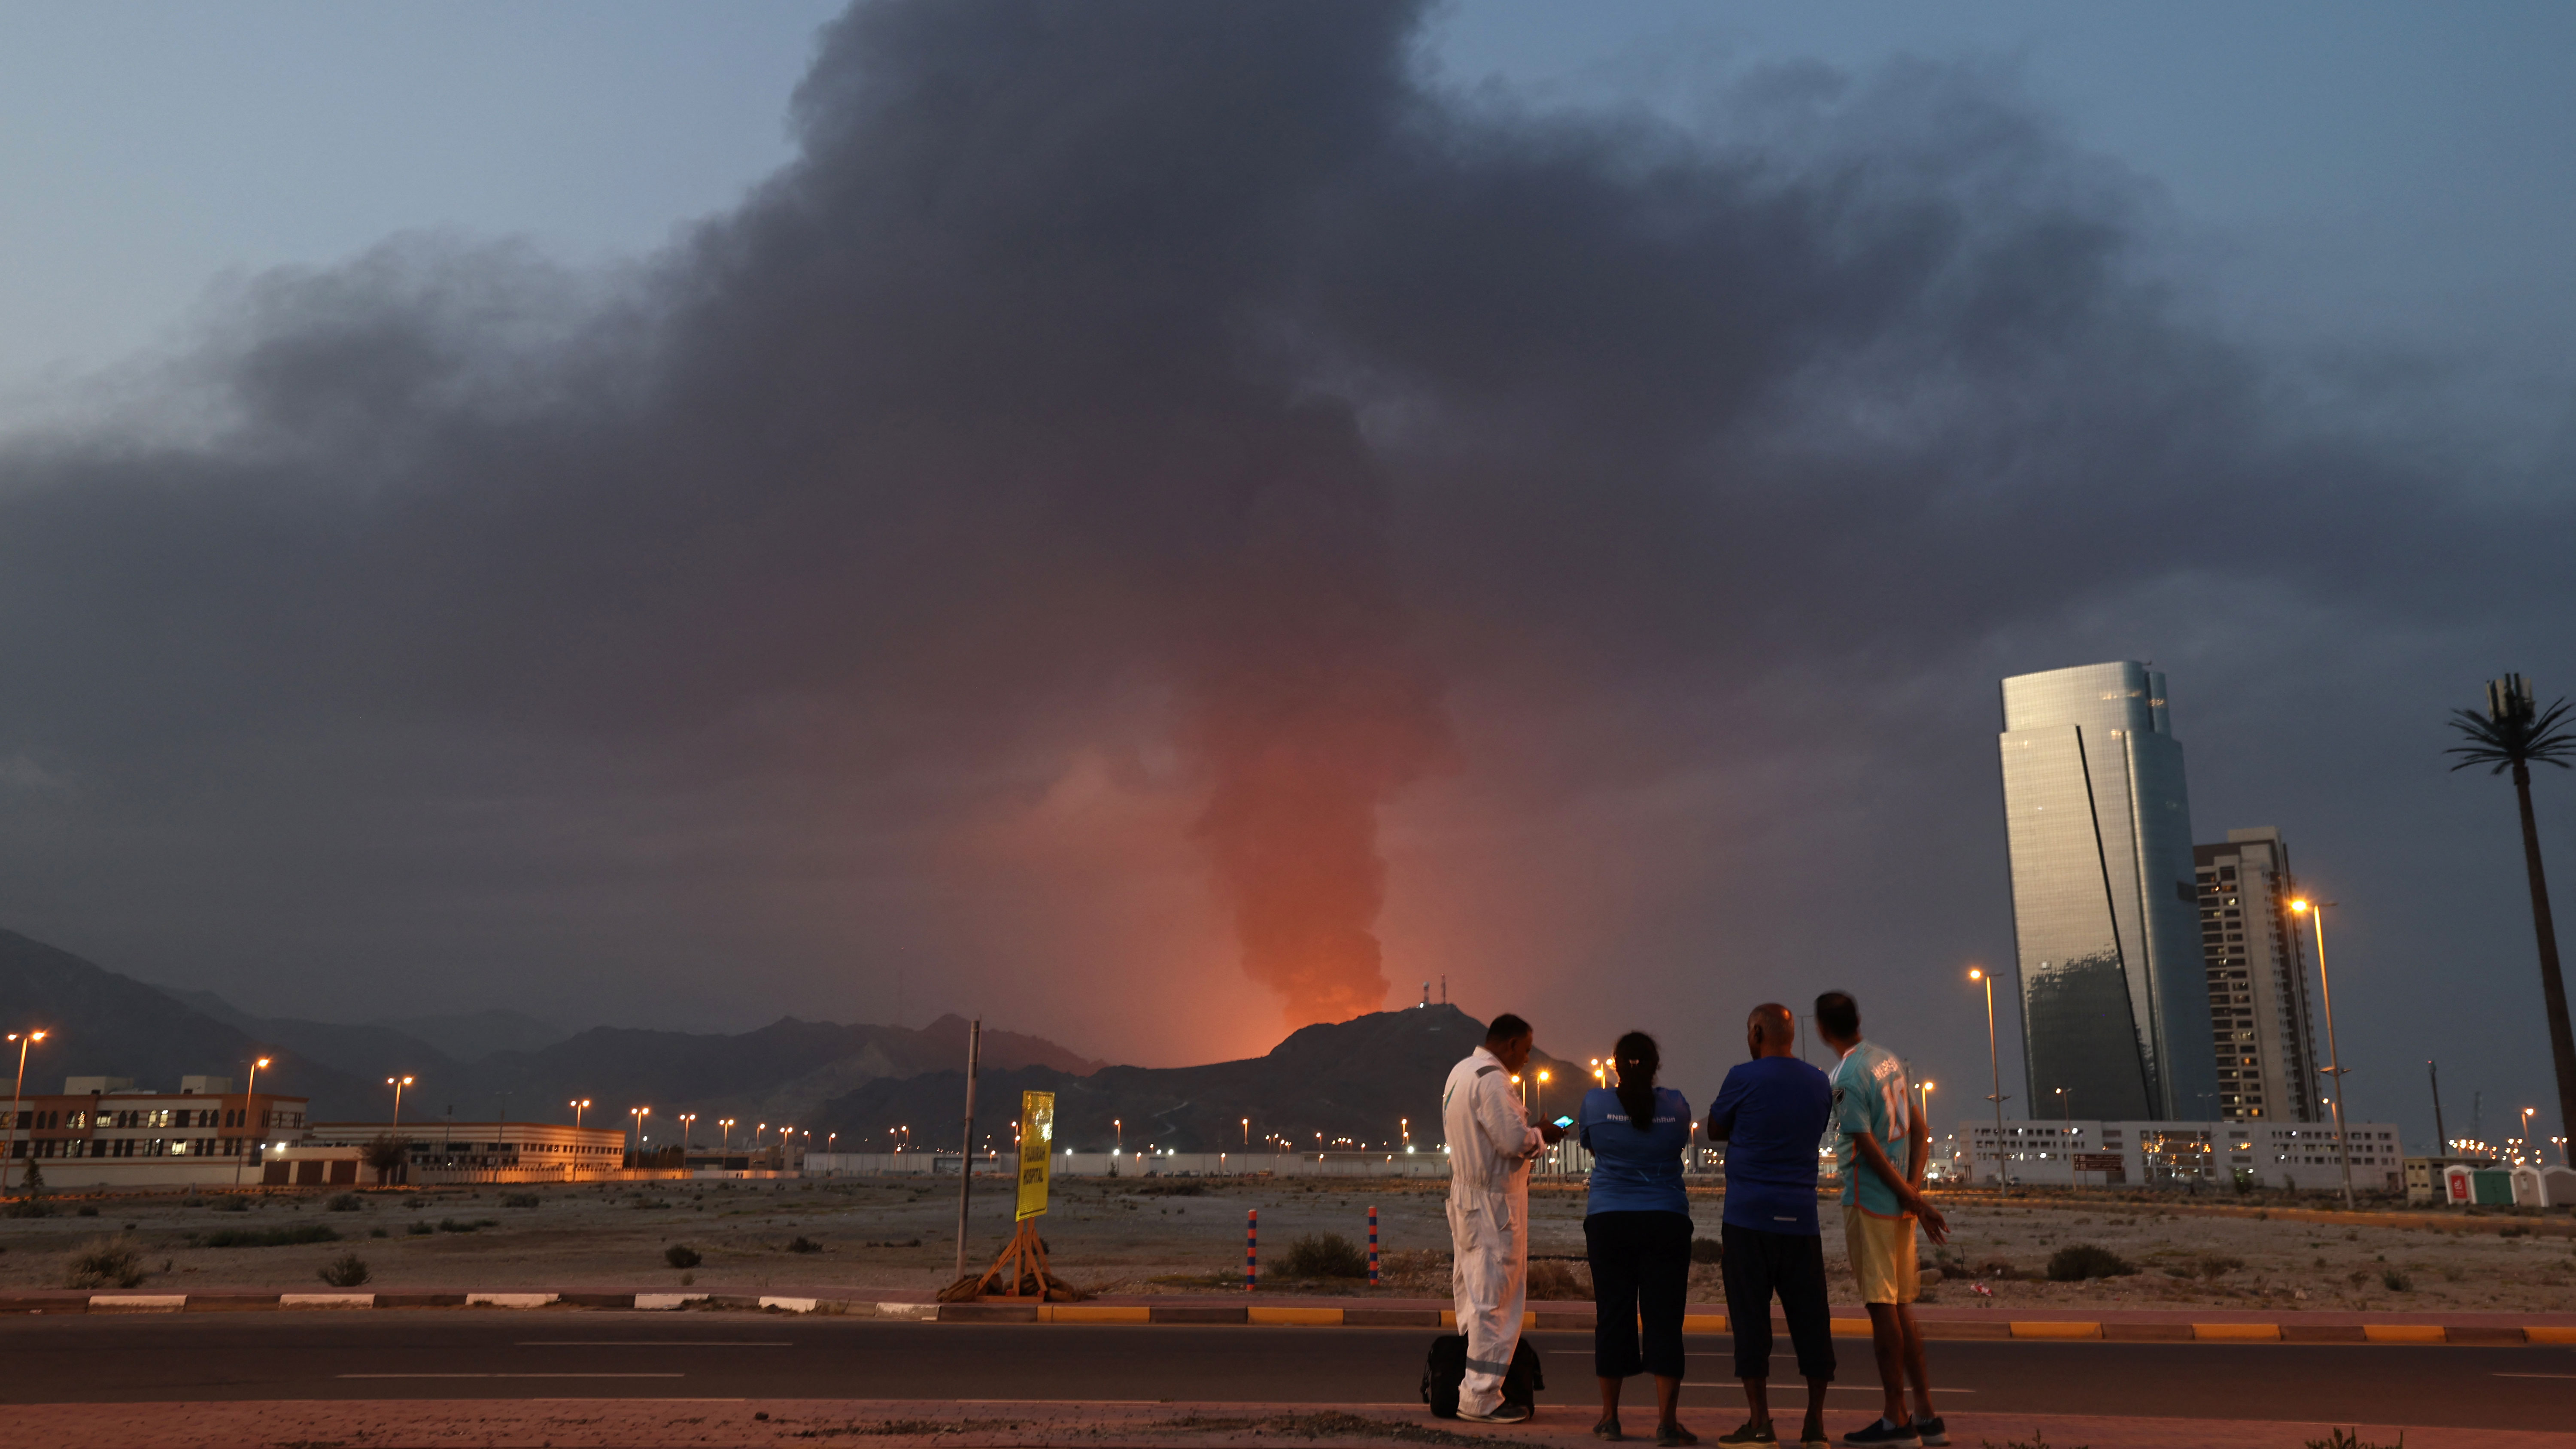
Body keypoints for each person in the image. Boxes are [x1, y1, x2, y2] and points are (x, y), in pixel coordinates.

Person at [1813, 991, 1949, 1449]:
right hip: (1898, 1205)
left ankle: (1896, 1418)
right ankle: (1927, 1413)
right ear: (1858, 1019)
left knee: (1882, 1307)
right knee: (1902, 1305)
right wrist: (1914, 1196)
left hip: (1870, 1202)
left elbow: (1866, 1149)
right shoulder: (1889, 1060)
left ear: (1821, 1030)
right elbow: (1922, 1131)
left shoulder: (1846, 1076)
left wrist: (1911, 1198)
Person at [1704, 1003, 1836, 1449]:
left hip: (1747, 1219)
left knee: (1751, 1323)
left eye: (1749, 1032)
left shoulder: (1742, 1076)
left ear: (1757, 1033)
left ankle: (1760, 1423)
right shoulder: (1819, 1081)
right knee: (1813, 1322)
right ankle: (1815, 1424)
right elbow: (1815, 1127)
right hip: (1801, 1220)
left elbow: (1715, 1128)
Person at [1442, 1012, 1569, 1425]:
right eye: (1528, 1050)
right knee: (1494, 1300)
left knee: (1475, 1296)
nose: (1528, 1060)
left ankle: (1475, 1388)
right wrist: (1541, 1135)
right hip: (1494, 1205)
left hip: (1468, 1198)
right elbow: (1514, 1140)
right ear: (1511, 1044)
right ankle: (1481, 1398)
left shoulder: (1460, 1071)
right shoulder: (1494, 1080)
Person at [1578, 1031, 1695, 1446]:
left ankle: (1610, 1418)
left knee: (1613, 1314)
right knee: (1665, 1319)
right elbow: (1679, 1142)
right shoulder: (1677, 1105)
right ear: (1654, 1065)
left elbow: (1589, 1143)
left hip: (1609, 1219)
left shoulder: (1595, 1103)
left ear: (1614, 1064)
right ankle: (1666, 1423)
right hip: (1666, 1219)